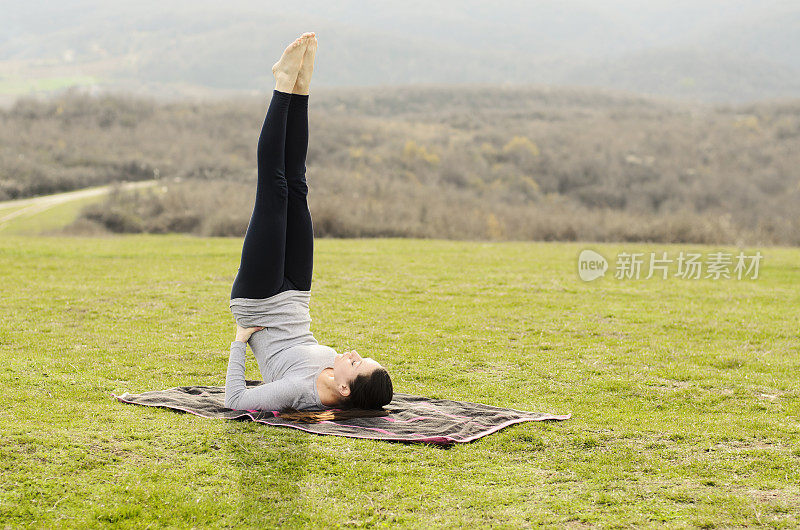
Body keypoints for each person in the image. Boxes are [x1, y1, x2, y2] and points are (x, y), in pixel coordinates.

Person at [224, 33, 393, 419]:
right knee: (297, 185)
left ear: (345, 387)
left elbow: (235, 402)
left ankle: (282, 85)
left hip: (260, 303)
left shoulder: (297, 390)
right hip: (296, 299)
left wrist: (239, 342)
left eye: (357, 362)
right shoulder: (337, 372)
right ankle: (301, 89)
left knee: (275, 188)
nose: (353, 354)